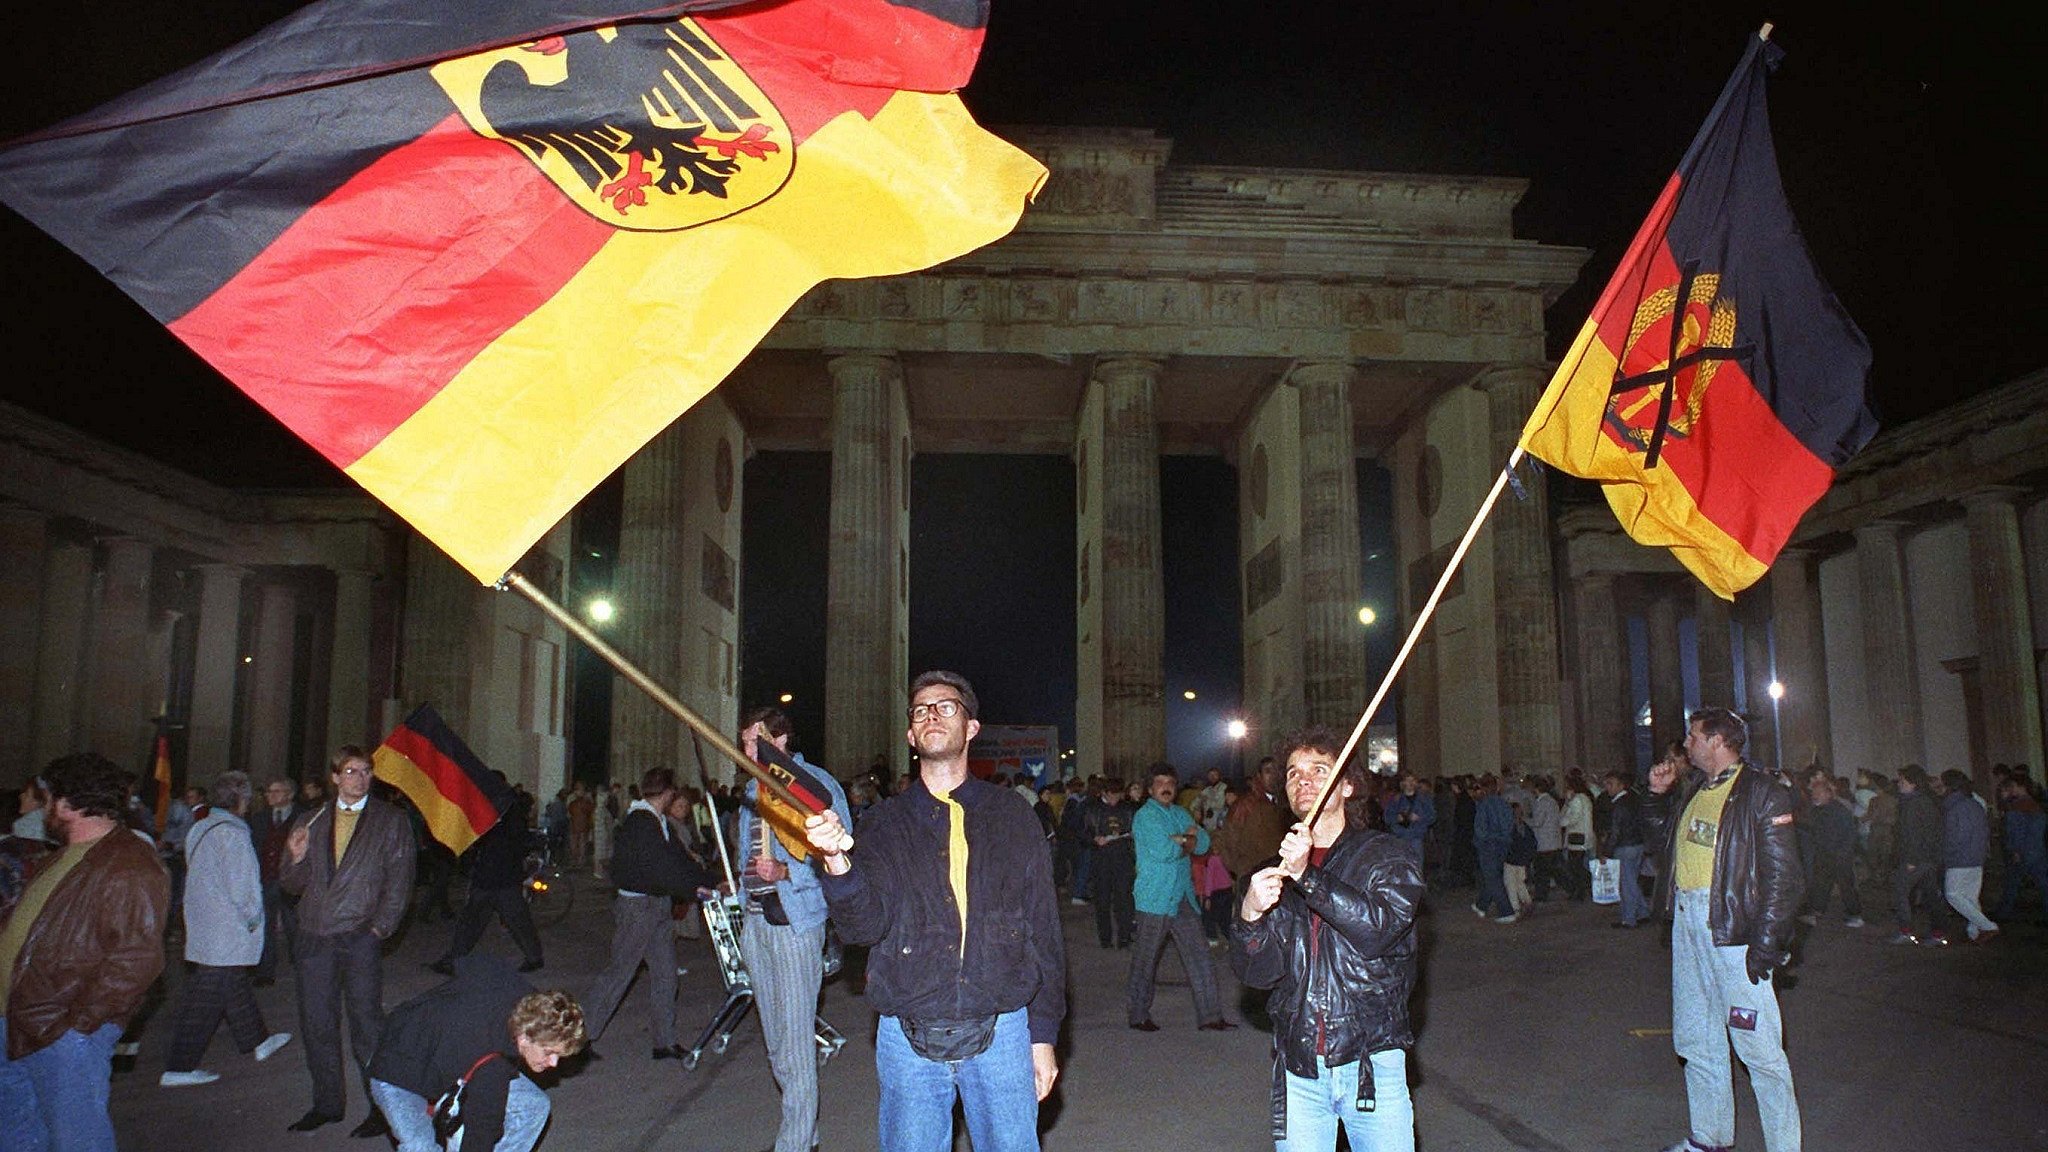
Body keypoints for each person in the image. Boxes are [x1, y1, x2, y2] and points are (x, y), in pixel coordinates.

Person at [803, 670, 1066, 1152]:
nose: (931, 714)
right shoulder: (883, 823)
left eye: (946, 707)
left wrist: (1043, 1035)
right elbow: (863, 928)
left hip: (1004, 1028)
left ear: (971, 728)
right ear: (910, 735)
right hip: (907, 1036)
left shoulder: (1011, 815)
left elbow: (1043, 930)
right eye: (921, 710)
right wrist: (836, 862)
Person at [1233, 726, 1424, 1151]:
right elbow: (1258, 974)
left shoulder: (1387, 855)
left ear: (1348, 784)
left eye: (1321, 770)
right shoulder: (1273, 870)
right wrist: (1249, 917)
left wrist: (1309, 876)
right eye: (1293, 773)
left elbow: (1380, 930)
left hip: (1370, 1062)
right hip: (1299, 1067)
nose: (1305, 781)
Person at [1641, 707, 1803, 1152]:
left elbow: (1784, 878)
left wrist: (1765, 945)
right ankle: (1709, 1139)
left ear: (1716, 741)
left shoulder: (1763, 793)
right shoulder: (1694, 787)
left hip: (1735, 931)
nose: (1686, 745)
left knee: (1760, 1053)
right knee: (1697, 1038)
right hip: (1688, 924)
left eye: (1693, 736)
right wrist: (1656, 797)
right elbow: (1666, 851)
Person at [0, 753, 171, 1152]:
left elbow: (137, 958)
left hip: (61, 1030)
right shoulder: (61, 856)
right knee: (18, 1135)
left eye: (48, 800)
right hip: (19, 1020)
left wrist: (81, 1025)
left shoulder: (129, 862)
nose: (45, 809)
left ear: (65, 802)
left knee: (77, 1140)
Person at [279, 746, 418, 1135]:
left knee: (367, 1026)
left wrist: (378, 931)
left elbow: (400, 882)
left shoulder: (390, 821)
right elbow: (291, 886)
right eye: (351, 771)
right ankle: (326, 1103)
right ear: (335, 777)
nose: (360, 778)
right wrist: (294, 857)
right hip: (315, 937)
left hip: (360, 937)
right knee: (317, 1024)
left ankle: (381, 1108)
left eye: (366, 771)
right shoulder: (312, 819)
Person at [736, 706, 852, 1152]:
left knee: (797, 1041)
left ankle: (795, 1143)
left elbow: (837, 855)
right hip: (756, 920)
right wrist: (740, 879)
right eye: (745, 741)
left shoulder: (813, 785)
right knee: (776, 1041)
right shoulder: (751, 787)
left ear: (779, 739)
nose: (745, 750)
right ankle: (805, 1132)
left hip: (795, 922)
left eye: (753, 741)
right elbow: (749, 850)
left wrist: (785, 873)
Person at [369, 956, 586, 1152]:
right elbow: (479, 1134)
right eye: (549, 1052)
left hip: (446, 1057)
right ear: (524, 1037)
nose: (554, 1063)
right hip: (396, 1072)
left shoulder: (528, 1006)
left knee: (533, 1107)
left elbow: (475, 962)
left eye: (559, 1054)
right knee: (420, 1147)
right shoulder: (492, 1060)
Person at [160, 771, 293, 1087]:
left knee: (231, 984)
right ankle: (179, 1067)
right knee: (206, 997)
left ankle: (258, 1041)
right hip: (228, 925)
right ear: (241, 799)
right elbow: (244, 886)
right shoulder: (233, 833)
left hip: (203, 920)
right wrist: (253, 921)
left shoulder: (201, 827)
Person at [581, 767, 713, 1060]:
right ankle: (582, 1037)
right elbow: (663, 869)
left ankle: (663, 1041)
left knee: (666, 974)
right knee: (619, 972)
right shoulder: (641, 824)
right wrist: (695, 889)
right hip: (638, 907)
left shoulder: (656, 822)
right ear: (667, 793)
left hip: (656, 905)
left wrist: (710, 881)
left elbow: (678, 860)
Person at [1125, 764, 1234, 1033]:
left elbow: (1205, 843)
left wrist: (1180, 839)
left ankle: (1211, 1016)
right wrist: (1188, 840)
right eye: (1160, 782)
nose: (1166, 787)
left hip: (1183, 896)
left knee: (1200, 956)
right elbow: (1164, 851)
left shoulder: (1180, 812)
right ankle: (1138, 1014)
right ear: (1150, 789)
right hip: (1155, 898)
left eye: (1170, 782)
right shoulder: (1145, 817)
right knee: (1145, 960)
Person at [432, 780, 544, 976]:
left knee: (513, 919)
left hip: (501, 878)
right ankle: (454, 959)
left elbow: (512, 842)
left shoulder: (506, 813)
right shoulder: (500, 812)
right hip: (491, 877)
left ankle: (534, 957)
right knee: (474, 921)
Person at [248, 778, 301, 987]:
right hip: (266, 878)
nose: (270, 795)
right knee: (265, 926)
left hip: (290, 880)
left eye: (276, 791)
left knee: (293, 925)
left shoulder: (301, 817)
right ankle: (265, 970)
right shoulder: (259, 818)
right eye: (269, 791)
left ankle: (301, 966)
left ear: (289, 794)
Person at [1937, 770, 1998, 943]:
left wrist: (1947, 853)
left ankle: (1987, 926)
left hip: (1960, 858)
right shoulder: (1974, 804)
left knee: (1953, 894)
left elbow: (1956, 836)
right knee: (1970, 897)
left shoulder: (1955, 807)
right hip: (1976, 856)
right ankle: (1975, 931)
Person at [1796, 774, 1862, 929]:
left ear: (1828, 793)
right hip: (1825, 854)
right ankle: (1816, 912)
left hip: (1839, 855)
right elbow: (1814, 829)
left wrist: (1843, 852)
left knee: (1846, 886)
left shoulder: (1839, 811)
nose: (1815, 796)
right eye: (1814, 793)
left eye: (1818, 793)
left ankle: (1855, 915)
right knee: (1821, 884)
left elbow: (1850, 834)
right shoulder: (1820, 810)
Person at [1890, 766, 1946, 946]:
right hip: (1928, 857)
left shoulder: (1913, 804)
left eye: (1902, 781)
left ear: (1913, 784)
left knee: (1900, 891)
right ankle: (1938, 933)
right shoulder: (1925, 801)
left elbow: (1913, 834)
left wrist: (1912, 860)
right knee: (1931, 895)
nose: (1899, 784)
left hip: (1918, 858)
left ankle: (1906, 931)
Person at [1088, 779, 1138, 949]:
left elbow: (1135, 829)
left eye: (1118, 795)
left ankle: (1124, 937)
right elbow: (1079, 832)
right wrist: (1094, 839)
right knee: (1102, 901)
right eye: (1111, 795)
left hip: (1123, 859)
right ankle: (1105, 938)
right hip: (1101, 861)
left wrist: (1130, 835)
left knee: (1123, 900)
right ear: (1104, 793)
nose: (1114, 799)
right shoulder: (1093, 809)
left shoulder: (1127, 809)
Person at [1603, 768, 1648, 929]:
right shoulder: (1633, 799)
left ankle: (1629, 919)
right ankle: (1643, 912)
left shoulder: (1618, 805)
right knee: (1632, 881)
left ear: (1621, 785)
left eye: (1611, 784)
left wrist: (1606, 852)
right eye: (1606, 784)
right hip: (1637, 844)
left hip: (1625, 846)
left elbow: (1615, 831)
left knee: (1627, 884)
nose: (1608, 787)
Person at [1470, 776, 1513, 921]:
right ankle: (1481, 905)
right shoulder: (1504, 803)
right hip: (1503, 844)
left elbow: (1480, 829)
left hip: (1489, 845)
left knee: (1492, 878)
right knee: (1493, 876)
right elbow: (1509, 825)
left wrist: (1480, 842)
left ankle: (1507, 911)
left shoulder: (1484, 805)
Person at [1383, 774, 1434, 870]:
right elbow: (1387, 817)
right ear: (1402, 783)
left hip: (1416, 837)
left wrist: (1419, 818)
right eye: (1408, 780)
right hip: (1400, 837)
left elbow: (1432, 816)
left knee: (1417, 867)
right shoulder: (1395, 800)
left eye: (1413, 780)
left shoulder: (1424, 799)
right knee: (1401, 867)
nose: (1410, 783)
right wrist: (1396, 818)